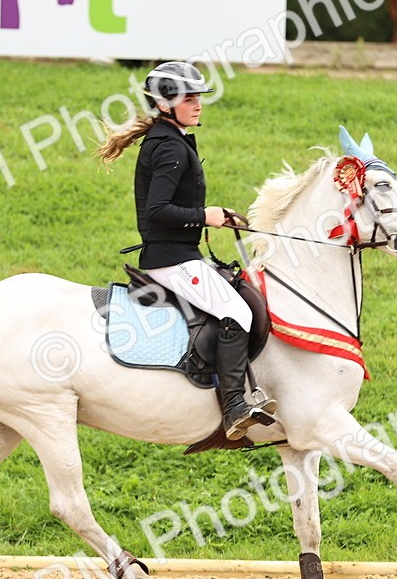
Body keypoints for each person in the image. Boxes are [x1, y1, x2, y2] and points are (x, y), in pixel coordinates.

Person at [96, 62, 277, 441]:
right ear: (165, 105)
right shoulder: (169, 148)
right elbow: (157, 211)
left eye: (198, 97)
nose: (198, 105)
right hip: (171, 260)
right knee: (235, 310)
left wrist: (216, 216)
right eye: (188, 98)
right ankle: (233, 407)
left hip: (177, 254)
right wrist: (206, 216)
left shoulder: (170, 139)